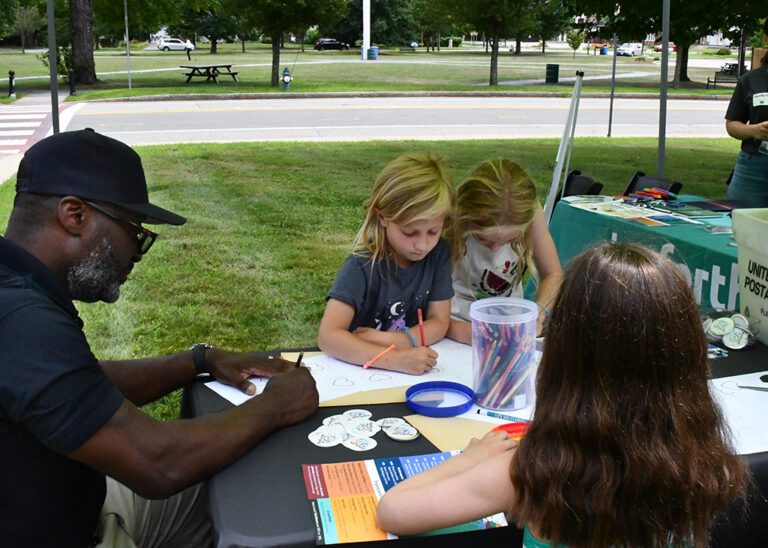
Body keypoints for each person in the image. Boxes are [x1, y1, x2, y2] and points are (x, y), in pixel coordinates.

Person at [0, 129, 319, 547]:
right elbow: (157, 464)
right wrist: (277, 405)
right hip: (74, 532)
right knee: (278, 514)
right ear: (74, 215)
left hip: (78, 503)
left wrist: (198, 361)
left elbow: (77, 385)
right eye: (135, 231)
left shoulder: (16, 286)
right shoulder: (22, 320)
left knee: (233, 487)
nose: (135, 251)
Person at [377, 242, 747, 547]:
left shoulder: (533, 470)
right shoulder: (702, 463)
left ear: (563, 357)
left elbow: (394, 510)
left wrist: (469, 459)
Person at [317, 152, 455, 375]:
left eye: (433, 231)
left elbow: (439, 322)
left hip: (408, 367)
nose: (422, 245)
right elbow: (329, 336)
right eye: (409, 232)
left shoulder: (438, 254)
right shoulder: (362, 265)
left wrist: (392, 340)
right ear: (382, 217)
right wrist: (395, 359)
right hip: (360, 372)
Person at [446, 159, 562, 343]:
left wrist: (539, 311)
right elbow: (429, 299)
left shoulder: (530, 211)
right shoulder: (451, 218)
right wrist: (456, 329)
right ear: (465, 217)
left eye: (510, 240)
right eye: (483, 239)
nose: (496, 248)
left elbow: (553, 274)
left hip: (509, 325)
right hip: (454, 323)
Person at [724, 19, 768, 206]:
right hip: (755, 168)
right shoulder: (750, 80)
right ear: (767, 38)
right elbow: (732, 124)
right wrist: (753, 131)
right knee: (740, 225)